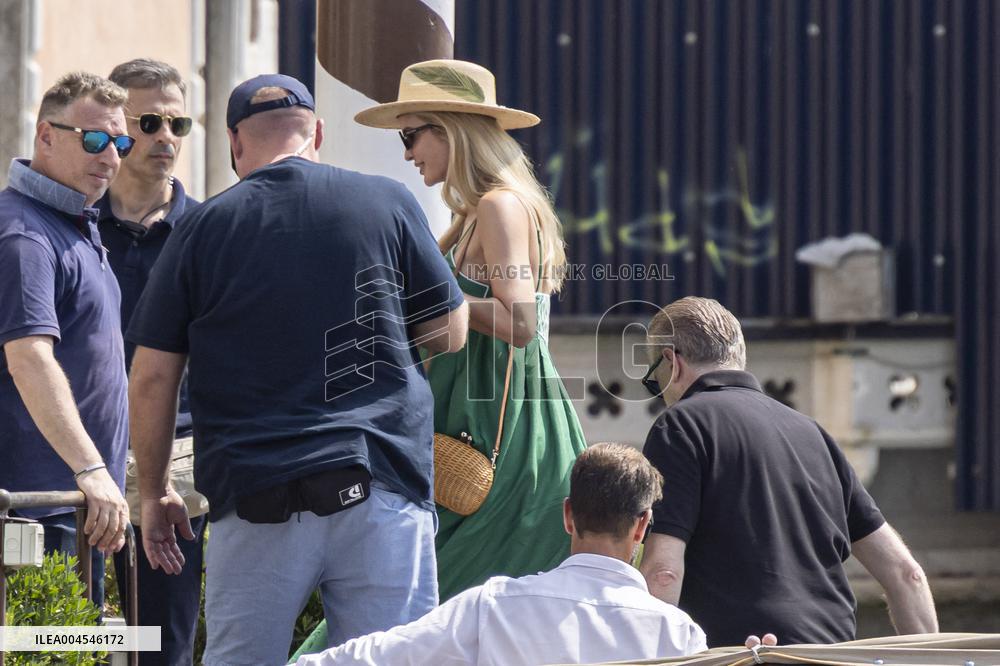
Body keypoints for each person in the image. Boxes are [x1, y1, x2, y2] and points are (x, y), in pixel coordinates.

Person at [125, 73, 468, 665]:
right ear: (318, 133)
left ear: (236, 143)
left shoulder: (202, 229)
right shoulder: (386, 201)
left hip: (257, 497)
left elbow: (152, 376)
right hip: (378, 483)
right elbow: (450, 330)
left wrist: (153, 494)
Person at [358, 58, 588, 597]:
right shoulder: (475, 213)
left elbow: (522, 322)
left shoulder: (498, 207)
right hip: (487, 434)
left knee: (419, 610)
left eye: (411, 135)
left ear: (452, 132)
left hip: (500, 441)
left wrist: (438, 299)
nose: (408, 153)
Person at [638, 296, 939, 646]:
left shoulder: (679, 427)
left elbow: (663, 573)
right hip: (832, 653)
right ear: (738, 356)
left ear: (672, 362)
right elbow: (907, 574)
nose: (660, 393)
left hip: (745, 653)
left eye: (653, 381)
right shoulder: (813, 434)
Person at [295, 443, 707, 665]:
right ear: (641, 525)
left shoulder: (493, 606)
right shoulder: (679, 635)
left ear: (567, 516)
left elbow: (379, 657)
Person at [0, 72, 134, 609]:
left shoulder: (73, 223)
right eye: (95, 139)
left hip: (79, 508)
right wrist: (91, 467)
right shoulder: (25, 234)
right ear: (46, 136)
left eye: (120, 143)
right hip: (38, 509)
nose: (110, 156)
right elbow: (29, 358)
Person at [98, 58, 206, 666]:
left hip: (178, 457)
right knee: (60, 631)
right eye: (149, 121)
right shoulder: (71, 226)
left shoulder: (208, 230)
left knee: (164, 641)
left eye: (177, 123)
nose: (166, 136)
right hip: (81, 454)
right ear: (116, 126)